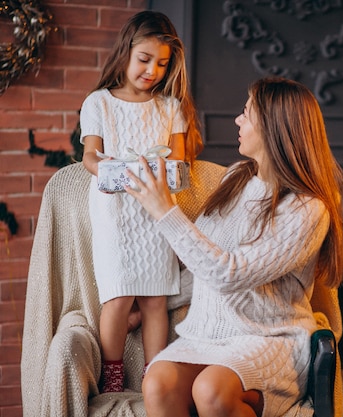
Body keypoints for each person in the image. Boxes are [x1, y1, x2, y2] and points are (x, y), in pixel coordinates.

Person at [124, 76, 343, 417]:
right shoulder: (236, 178)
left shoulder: (307, 210)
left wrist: (163, 210)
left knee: (211, 389)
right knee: (157, 382)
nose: (238, 120)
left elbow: (229, 273)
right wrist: (149, 306)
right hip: (206, 337)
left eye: (247, 113)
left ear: (275, 127)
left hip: (269, 338)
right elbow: (203, 267)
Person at [79, 10, 203, 393]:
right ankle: (112, 377)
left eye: (162, 64)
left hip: (156, 213)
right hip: (115, 213)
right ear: (125, 53)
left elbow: (179, 164)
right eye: (144, 60)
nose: (152, 71)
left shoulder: (171, 107)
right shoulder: (98, 103)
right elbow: (90, 158)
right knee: (118, 298)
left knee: (154, 302)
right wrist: (115, 169)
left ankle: (154, 376)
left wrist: (165, 169)